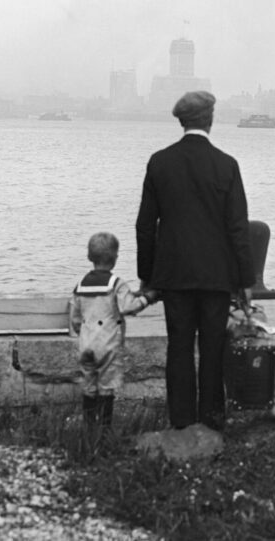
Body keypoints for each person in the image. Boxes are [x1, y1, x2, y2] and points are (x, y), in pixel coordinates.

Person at [136, 90, 255, 432]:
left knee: (179, 348)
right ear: (210, 119)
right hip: (217, 275)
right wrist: (245, 280)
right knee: (213, 349)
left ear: (182, 121)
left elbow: (145, 226)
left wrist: (148, 275)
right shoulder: (227, 165)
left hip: (173, 274)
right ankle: (213, 422)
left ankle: (181, 422)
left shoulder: (159, 162)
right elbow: (238, 228)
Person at [68, 232, 154, 434]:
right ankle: (105, 429)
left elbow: (75, 318)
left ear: (89, 257)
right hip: (108, 343)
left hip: (86, 343)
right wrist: (148, 298)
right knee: (106, 386)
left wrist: (82, 332)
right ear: (115, 258)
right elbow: (128, 307)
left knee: (89, 385)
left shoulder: (80, 285)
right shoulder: (116, 284)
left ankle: (90, 427)